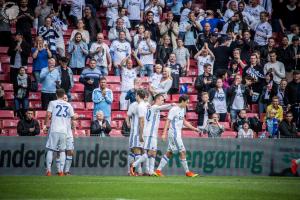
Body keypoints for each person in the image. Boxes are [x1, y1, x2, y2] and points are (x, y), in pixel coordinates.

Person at [154, 95, 200, 177]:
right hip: (174, 134)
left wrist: (194, 129)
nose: (187, 104)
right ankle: (187, 172)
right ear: (182, 101)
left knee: (170, 153)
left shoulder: (183, 109)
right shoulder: (174, 109)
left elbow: (184, 122)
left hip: (177, 133)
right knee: (182, 151)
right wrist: (164, 133)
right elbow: (168, 121)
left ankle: (158, 170)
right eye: (187, 102)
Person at [130, 94, 174, 176]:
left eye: (163, 100)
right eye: (161, 100)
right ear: (157, 100)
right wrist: (171, 104)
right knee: (149, 152)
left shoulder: (153, 108)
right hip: (149, 133)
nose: (163, 101)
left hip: (153, 134)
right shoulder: (154, 107)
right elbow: (163, 107)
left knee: (153, 153)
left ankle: (151, 171)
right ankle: (134, 165)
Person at [44, 89, 76, 176]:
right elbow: (73, 117)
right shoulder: (68, 105)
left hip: (54, 129)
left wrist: (44, 125)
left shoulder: (52, 103)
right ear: (63, 95)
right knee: (62, 151)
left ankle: (48, 170)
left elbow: (48, 115)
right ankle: (61, 171)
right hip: (64, 131)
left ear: (56, 94)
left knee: (51, 149)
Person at [126, 89, 148, 175]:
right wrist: (128, 123)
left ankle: (137, 171)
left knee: (139, 151)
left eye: (136, 95)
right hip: (135, 132)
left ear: (138, 96)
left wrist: (141, 134)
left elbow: (142, 120)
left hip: (139, 132)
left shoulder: (144, 105)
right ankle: (133, 171)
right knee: (134, 151)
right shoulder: (134, 105)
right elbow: (127, 116)